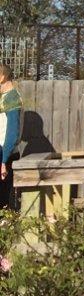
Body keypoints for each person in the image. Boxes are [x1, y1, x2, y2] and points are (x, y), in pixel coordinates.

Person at [0, 60, 19, 212]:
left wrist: (4, 161)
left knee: (3, 202)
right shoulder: (5, 96)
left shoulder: (12, 98)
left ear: (2, 77)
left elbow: (12, 133)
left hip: (4, 154)